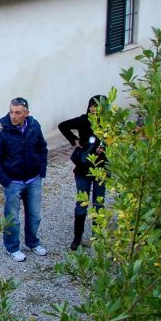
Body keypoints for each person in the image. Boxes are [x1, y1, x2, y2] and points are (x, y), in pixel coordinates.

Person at [0, 97, 49, 262]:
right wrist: (6, 181)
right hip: (13, 182)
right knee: (12, 218)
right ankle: (12, 247)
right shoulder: (0, 128)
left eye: (18, 113)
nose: (13, 116)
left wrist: (41, 170)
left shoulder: (34, 125)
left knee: (34, 215)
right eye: (11, 112)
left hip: (33, 179)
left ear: (26, 113)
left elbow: (42, 148)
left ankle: (33, 242)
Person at [58, 95, 108, 251]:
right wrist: (75, 140)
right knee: (81, 203)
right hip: (83, 168)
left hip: (101, 169)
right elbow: (63, 126)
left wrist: (105, 149)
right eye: (92, 105)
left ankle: (96, 237)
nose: (94, 109)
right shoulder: (83, 120)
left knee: (98, 204)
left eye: (97, 106)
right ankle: (77, 236)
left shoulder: (109, 123)